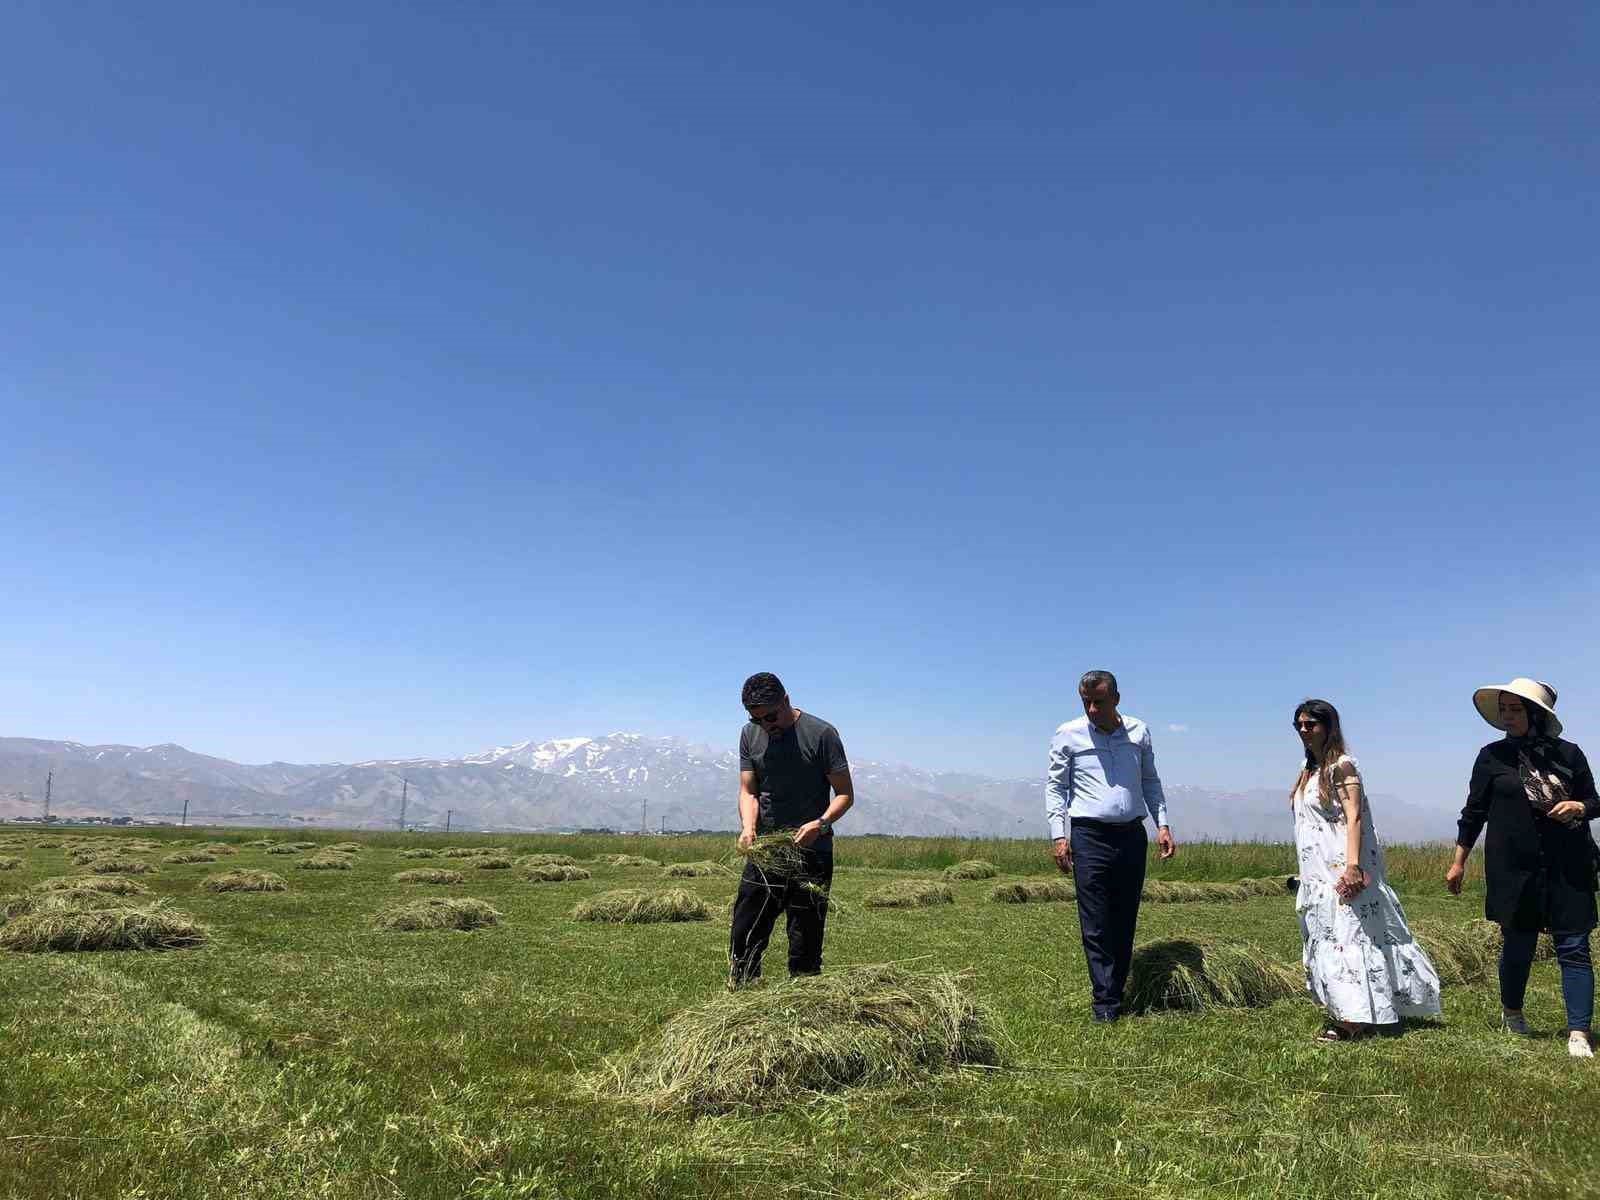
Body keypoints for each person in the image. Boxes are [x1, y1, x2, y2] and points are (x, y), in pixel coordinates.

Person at [1447, 678, 1598, 1058]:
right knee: (1518, 944)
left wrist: (1579, 807)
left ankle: (1579, 1032)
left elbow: (1594, 801)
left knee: (1574, 946)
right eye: (1504, 709)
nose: (1507, 716)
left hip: (1569, 865)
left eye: (1515, 709)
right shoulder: (1492, 757)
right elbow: (1474, 812)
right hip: (1513, 868)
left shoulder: (1569, 754)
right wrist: (1458, 862)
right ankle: (1512, 1013)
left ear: (1535, 714)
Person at [1290, 699, 1441, 1041]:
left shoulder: (1342, 767)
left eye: (1310, 724)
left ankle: (1354, 1020)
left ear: (1328, 727)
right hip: (1318, 873)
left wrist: (1353, 866)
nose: (1303, 730)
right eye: (1299, 724)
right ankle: (1348, 1009)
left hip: (1344, 869)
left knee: (1351, 937)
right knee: (1330, 936)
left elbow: (1354, 816)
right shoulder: (1308, 769)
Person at [1046, 670, 1176, 1022]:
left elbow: (1150, 781)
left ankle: (1116, 989)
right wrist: (1059, 835)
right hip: (1089, 837)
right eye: (1086, 702)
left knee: (1124, 917)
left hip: (1131, 835)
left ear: (1116, 699)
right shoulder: (1068, 734)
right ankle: (1105, 1003)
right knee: (1096, 920)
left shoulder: (1139, 732)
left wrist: (1162, 824)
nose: (1092, 709)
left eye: (1099, 702)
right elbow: (1056, 787)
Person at [728, 672, 854, 986]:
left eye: (771, 717)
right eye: (756, 719)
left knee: (804, 936)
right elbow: (749, 790)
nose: (765, 725)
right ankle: (742, 987)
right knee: (746, 927)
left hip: (812, 851)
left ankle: (804, 996)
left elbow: (845, 794)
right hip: (766, 850)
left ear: (786, 700)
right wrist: (748, 827)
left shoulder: (822, 734)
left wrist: (820, 824)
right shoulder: (749, 734)